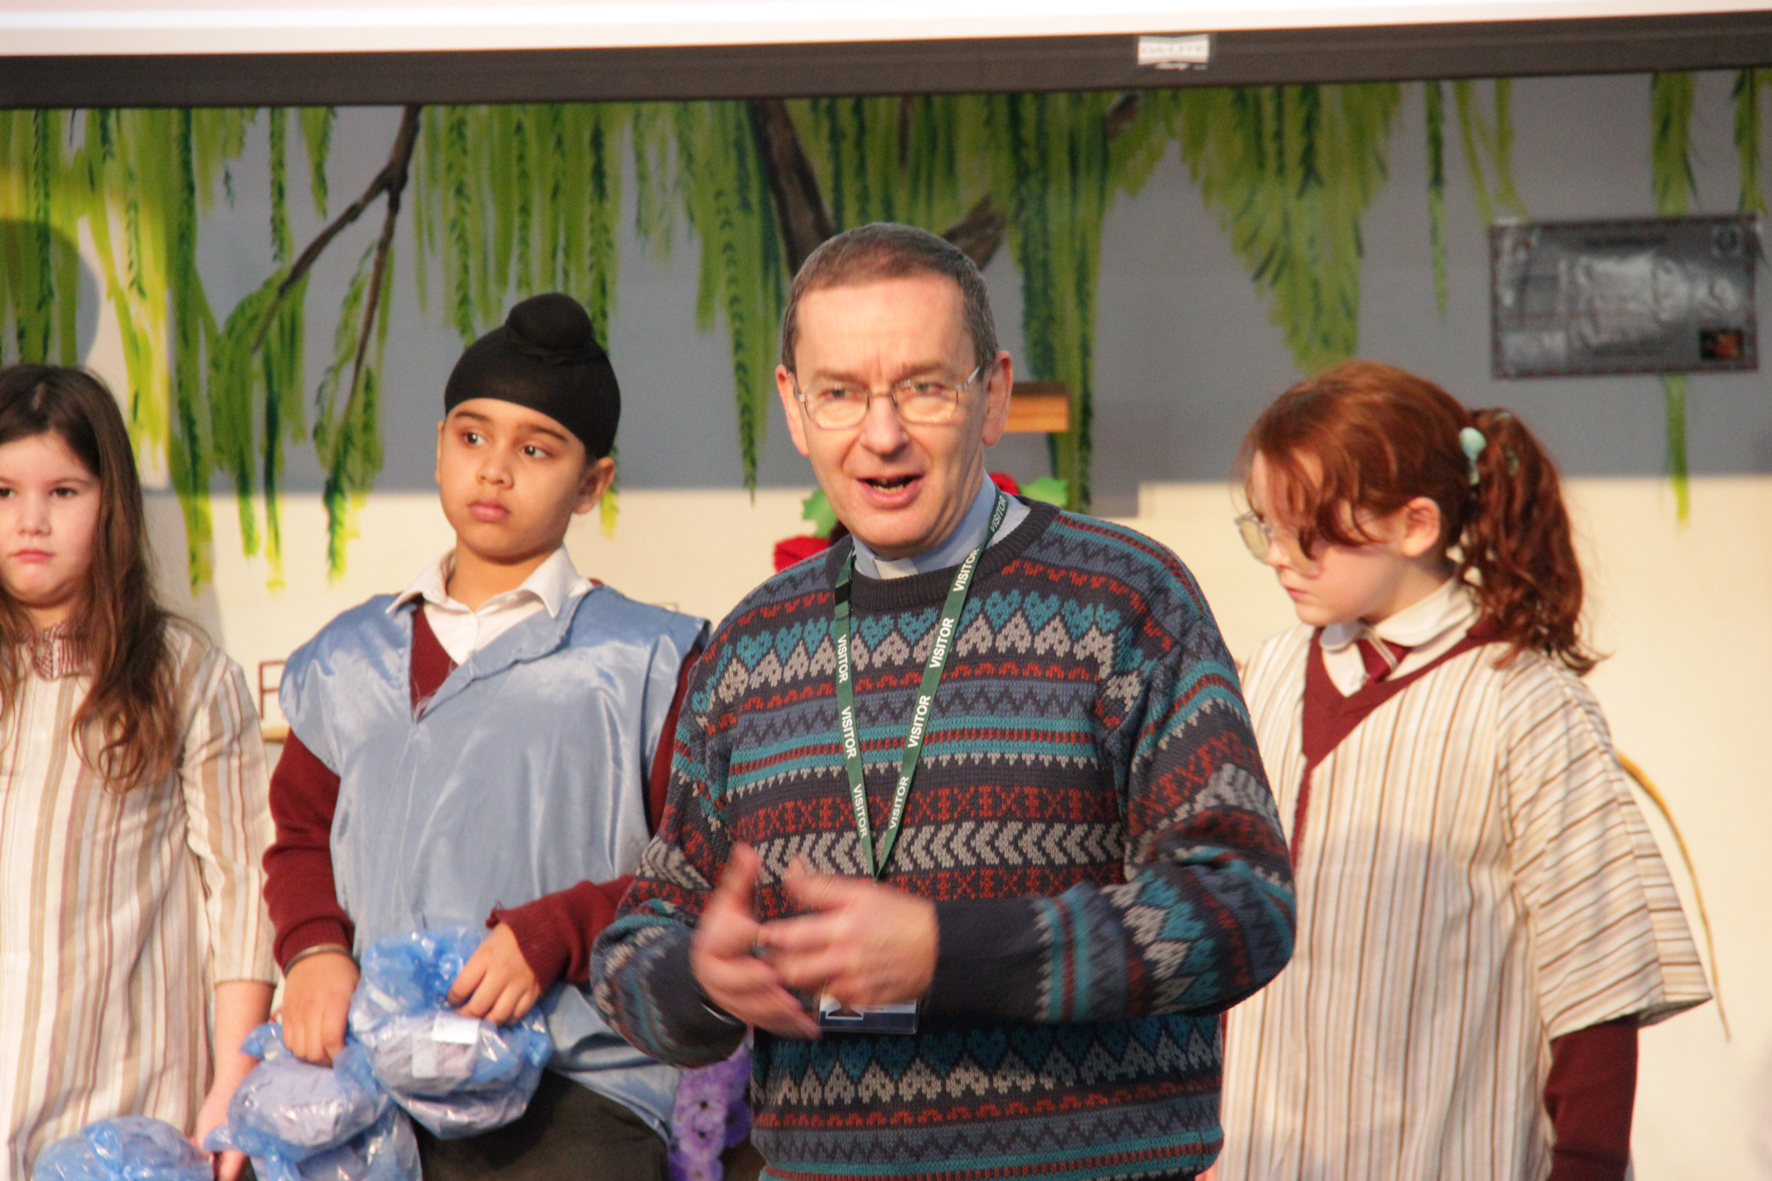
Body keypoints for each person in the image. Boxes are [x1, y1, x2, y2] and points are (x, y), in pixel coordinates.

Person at [591, 223, 1296, 1181]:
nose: (881, 435)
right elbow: (637, 946)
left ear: (993, 394)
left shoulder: (1129, 598)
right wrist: (700, 982)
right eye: (840, 393)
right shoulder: (750, 647)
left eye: (924, 386)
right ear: (795, 409)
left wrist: (951, 954)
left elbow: (1241, 907)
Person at [1215, 361, 1711, 1181]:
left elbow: (1597, 981)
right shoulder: (1262, 675)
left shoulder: (1525, 702)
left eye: (1306, 533)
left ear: (1416, 524)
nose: (1277, 556)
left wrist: (1585, 1166)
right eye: (1261, 526)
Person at [263, 293, 707, 1181]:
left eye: (536, 448)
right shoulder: (346, 658)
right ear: (437, 449)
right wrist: (312, 950)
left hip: (569, 1100)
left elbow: (701, 863)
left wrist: (559, 929)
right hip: (367, 1094)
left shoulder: (649, 660)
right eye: (472, 437)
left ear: (593, 483)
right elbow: (302, 835)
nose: (494, 470)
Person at [0, 364, 276, 1181]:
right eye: (3, 492)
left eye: (63, 491)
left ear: (110, 499)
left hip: (123, 1112)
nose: (31, 521)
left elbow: (243, 893)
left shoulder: (183, 674)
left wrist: (235, 1076)